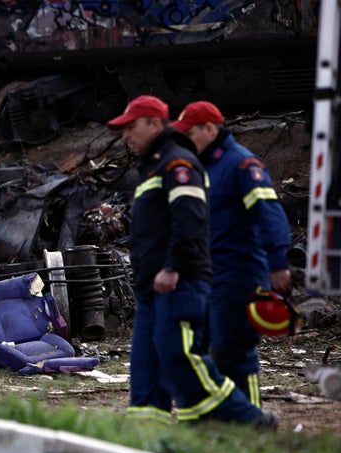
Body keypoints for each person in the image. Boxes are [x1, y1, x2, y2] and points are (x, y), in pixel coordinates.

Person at [106, 95, 276, 428]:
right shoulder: (154, 166)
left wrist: (172, 267)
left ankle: (251, 419)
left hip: (180, 282)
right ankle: (148, 430)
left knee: (183, 356)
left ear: (155, 124)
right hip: (151, 286)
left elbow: (190, 221)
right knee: (147, 366)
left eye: (131, 127)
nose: (126, 136)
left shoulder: (179, 164)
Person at [172, 101, 292, 407]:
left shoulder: (242, 165)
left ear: (210, 129)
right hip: (208, 275)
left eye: (189, 133)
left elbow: (270, 213)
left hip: (239, 275)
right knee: (203, 349)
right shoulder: (201, 167)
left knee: (234, 351)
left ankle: (251, 419)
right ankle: (221, 415)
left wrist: (278, 263)